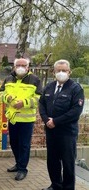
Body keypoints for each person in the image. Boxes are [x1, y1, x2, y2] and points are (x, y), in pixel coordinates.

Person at [39, 60, 84, 190]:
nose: (61, 73)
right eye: (58, 70)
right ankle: (56, 185)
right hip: (51, 131)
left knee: (68, 162)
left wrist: (55, 121)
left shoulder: (76, 88)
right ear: (54, 72)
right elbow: (41, 104)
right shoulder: (49, 87)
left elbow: (76, 111)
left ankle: (68, 187)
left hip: (67, 132)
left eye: (64, 70)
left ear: (69, 72)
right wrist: (46, 119)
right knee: (52, 161)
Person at [0, 58, 42, 181]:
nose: (21, 67)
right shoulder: (8, 79)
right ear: (14, 66)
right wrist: (8, 98)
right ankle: (18, 163)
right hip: (13, 118)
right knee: (14, 143)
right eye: (18, 65)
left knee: (24, 145)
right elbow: (0, 93)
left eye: (23, 65)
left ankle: (23, 169)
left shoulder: (35, 80)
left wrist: (24, 103)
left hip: (27, 120)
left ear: (28, 67)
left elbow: (39, 97)